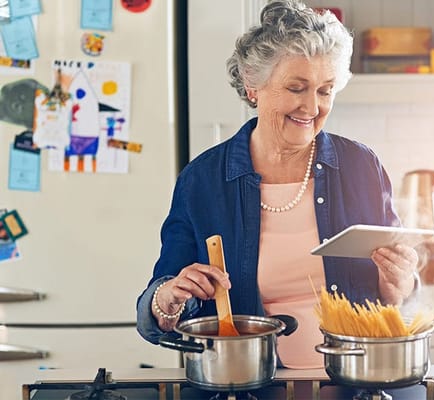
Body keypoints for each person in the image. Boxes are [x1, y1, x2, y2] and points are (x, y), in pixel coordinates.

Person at [137, 0, 419, 369]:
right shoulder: (203, 180)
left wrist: (402, 285)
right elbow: (154, 306)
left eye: (325, 90)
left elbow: (402, 298)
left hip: (354, 378)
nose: (312, 107)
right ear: (253, 85)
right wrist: (168, 297)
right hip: (247, 381)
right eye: (296, 88)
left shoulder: (361, 167)